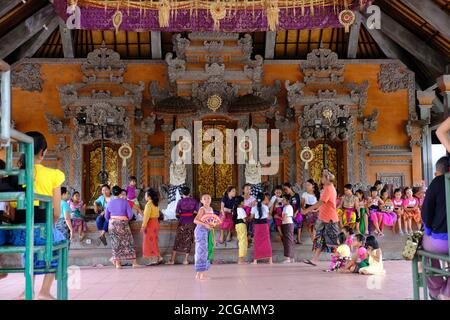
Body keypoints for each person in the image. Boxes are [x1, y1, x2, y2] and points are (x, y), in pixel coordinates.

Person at [8, 131, 66, 300]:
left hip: (19, 234)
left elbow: (11, 211)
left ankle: (28, 289)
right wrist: (51, 226)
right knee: (60, 241)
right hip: (43, 230)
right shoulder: (53, 175)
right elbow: (56, 212)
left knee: (29, 251)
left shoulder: (14, 175)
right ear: (43, 152)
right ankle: (45, 290)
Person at [421, 156, 450, 300]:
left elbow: (426, 213)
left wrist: (429, 231)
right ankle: (447, 292)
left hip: (439, 242)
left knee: (424, 248)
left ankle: (436, 290)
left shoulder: (437, 182)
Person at [302, 170, 339, 267]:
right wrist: (316, 210)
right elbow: (324, 203)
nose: (321, 178)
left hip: (330, 218)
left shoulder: (329, 188)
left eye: (322, 176)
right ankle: (314, 260)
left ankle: (341, 261)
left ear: (326, 178)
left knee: (334, 241)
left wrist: (307, 210)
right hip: (323, 217)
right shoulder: (326, 188)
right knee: (319, 239)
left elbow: (321, 202)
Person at [166, 186, 199, 265]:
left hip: (182, 222)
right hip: (191, 222)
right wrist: (191, 214)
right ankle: (185, 260)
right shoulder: (194, 201)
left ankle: (172, 260)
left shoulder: (180, 202)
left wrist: (181, 216)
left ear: (182, 194)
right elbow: (197, 212)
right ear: (189, 193)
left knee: (178, 240)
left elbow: (177, 213)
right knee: (188, 239)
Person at [194, 193, 215, 280]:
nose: (207, 200)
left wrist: (213, 236)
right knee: (201, 252)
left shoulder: (211, 209)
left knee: (206, 252)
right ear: (201, 201)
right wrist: (205, 224)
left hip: (208, 231)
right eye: (205, 198)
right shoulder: (202, 209)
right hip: (201, 231)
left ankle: (201, 273)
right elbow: (195, 220)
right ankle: (200, 274)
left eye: (208, 198)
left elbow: (212, 223)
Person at [141, 188, 163, 266]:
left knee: (149, 241)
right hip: (155, 223)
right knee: (154, 241)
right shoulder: (155, 203)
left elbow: (146, 216)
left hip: (150, 224)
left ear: (149, 196)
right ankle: (158, 257)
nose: (145, 196)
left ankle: (154, 259)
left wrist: (143, 226)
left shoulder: (148, 204)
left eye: (146, 195)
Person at [251, 193, 273, 264]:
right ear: (264, 199)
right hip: (264, 225)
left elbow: (251, 217)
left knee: (257, 242)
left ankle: (255, 260)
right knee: (267, 241)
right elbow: (268, 217)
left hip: (257, 226)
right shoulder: (266, 207)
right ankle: (270, 260)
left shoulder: (254, 207)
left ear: (257, 199)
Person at [233, 196, 248, 264]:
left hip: (237, 225)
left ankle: (241, 259)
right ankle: (241, 259)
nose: (244, 203)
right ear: (241, 202)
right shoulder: (241, 209)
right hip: (241, 225)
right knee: (243, 241)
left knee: (241, 241)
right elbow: (245, 219)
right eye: (243, 201)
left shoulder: (235, 209)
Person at [281, 194, 295, 263]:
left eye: (283, 199)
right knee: (289, 240)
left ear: (287, 200)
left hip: (287, 224)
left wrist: (276, 216)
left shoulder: (287, 207)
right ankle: (291, 257)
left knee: (287, 241)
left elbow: (284, 217)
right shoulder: (286, 207)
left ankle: (288, 258)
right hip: (287, 224)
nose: (282, 200)